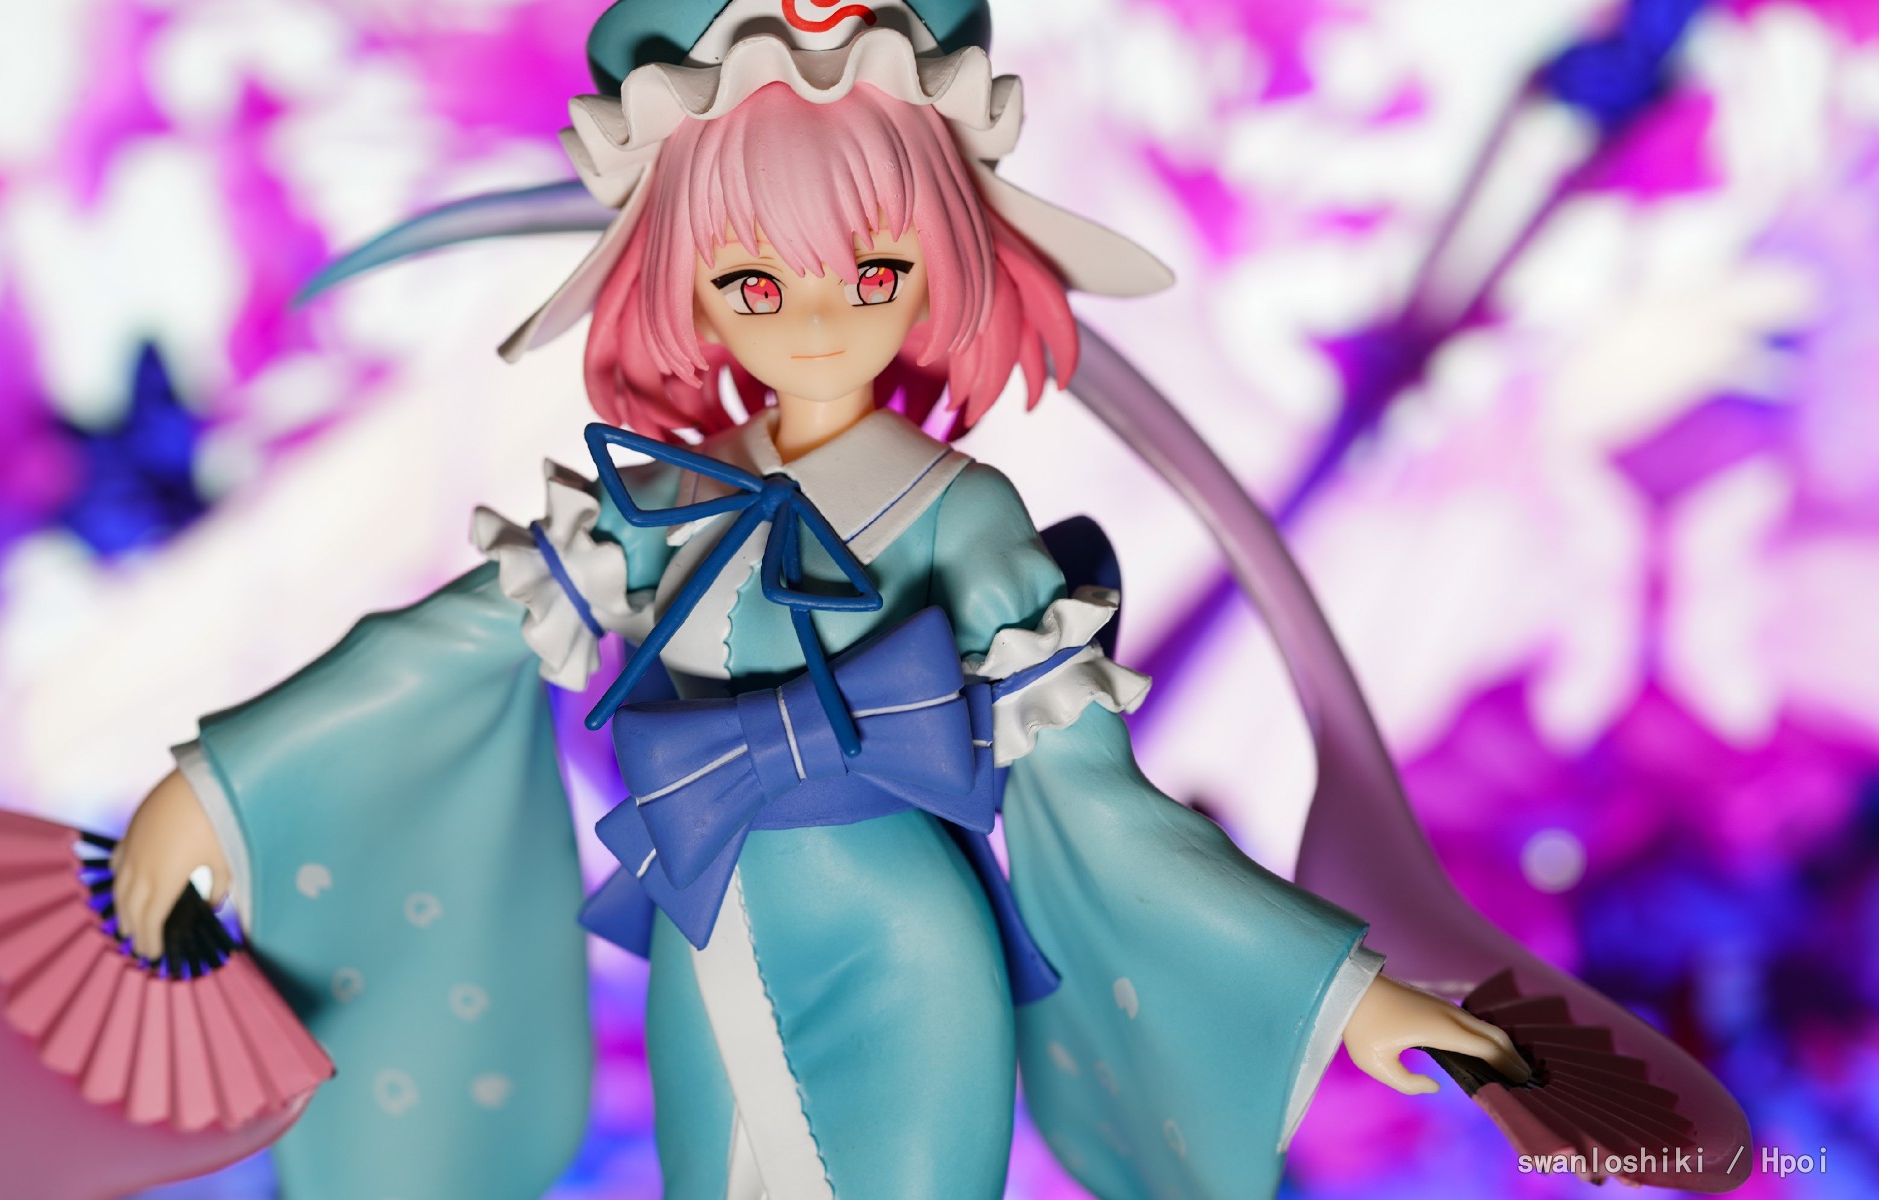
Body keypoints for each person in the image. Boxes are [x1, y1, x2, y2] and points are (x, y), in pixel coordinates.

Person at [108, 4, 1526, 1198]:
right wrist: (225, 791)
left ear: (938, 263)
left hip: (907, 955)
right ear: (682, 282)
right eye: (751, 278)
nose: (818, 315)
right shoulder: (655, 505)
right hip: (704, 943)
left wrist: (1340, 994)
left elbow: (1096, 799)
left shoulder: (964, 517)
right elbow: (451, 641)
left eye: (873, 269)